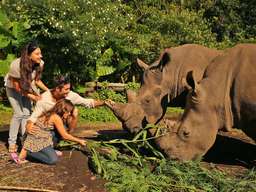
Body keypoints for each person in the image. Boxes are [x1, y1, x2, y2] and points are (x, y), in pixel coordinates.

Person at [26, 74, 105, 144]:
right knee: (52, 136)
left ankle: (68, 135)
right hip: (49, 127)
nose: (68, 91)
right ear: (57, 89)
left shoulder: (70, 95)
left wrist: (105, 103)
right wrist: (29, 124)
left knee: (74, 111)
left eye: (69, 88)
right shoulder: (44, 99)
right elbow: (34, 116)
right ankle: (53, 142)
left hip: (62, 123)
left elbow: (88, 102)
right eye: (66, 89)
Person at [11, 99, 86, 165]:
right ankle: (29, 153)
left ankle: (43, 150)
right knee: (53, 160)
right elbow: (65, 135)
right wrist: (79, 141)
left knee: (57, 132)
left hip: (42, 136)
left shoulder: (51, 113)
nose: (69, 114)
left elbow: (68, 129)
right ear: (63, 110)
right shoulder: (55, 117)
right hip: (36, 139)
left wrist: (74, 116)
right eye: (69, 112)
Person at [5, 41, 49, 153]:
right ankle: (12, 142)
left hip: (27, 87)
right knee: (19, 114)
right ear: (28, 55)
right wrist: (32, 97)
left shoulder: (40, 63)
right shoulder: (16, 65)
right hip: (13, 88)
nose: (41, 56)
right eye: (37, 54)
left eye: (41, 53)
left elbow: (37, 81)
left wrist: (49, 91)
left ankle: (25, 141)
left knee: (27, 114)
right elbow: (17, 87)